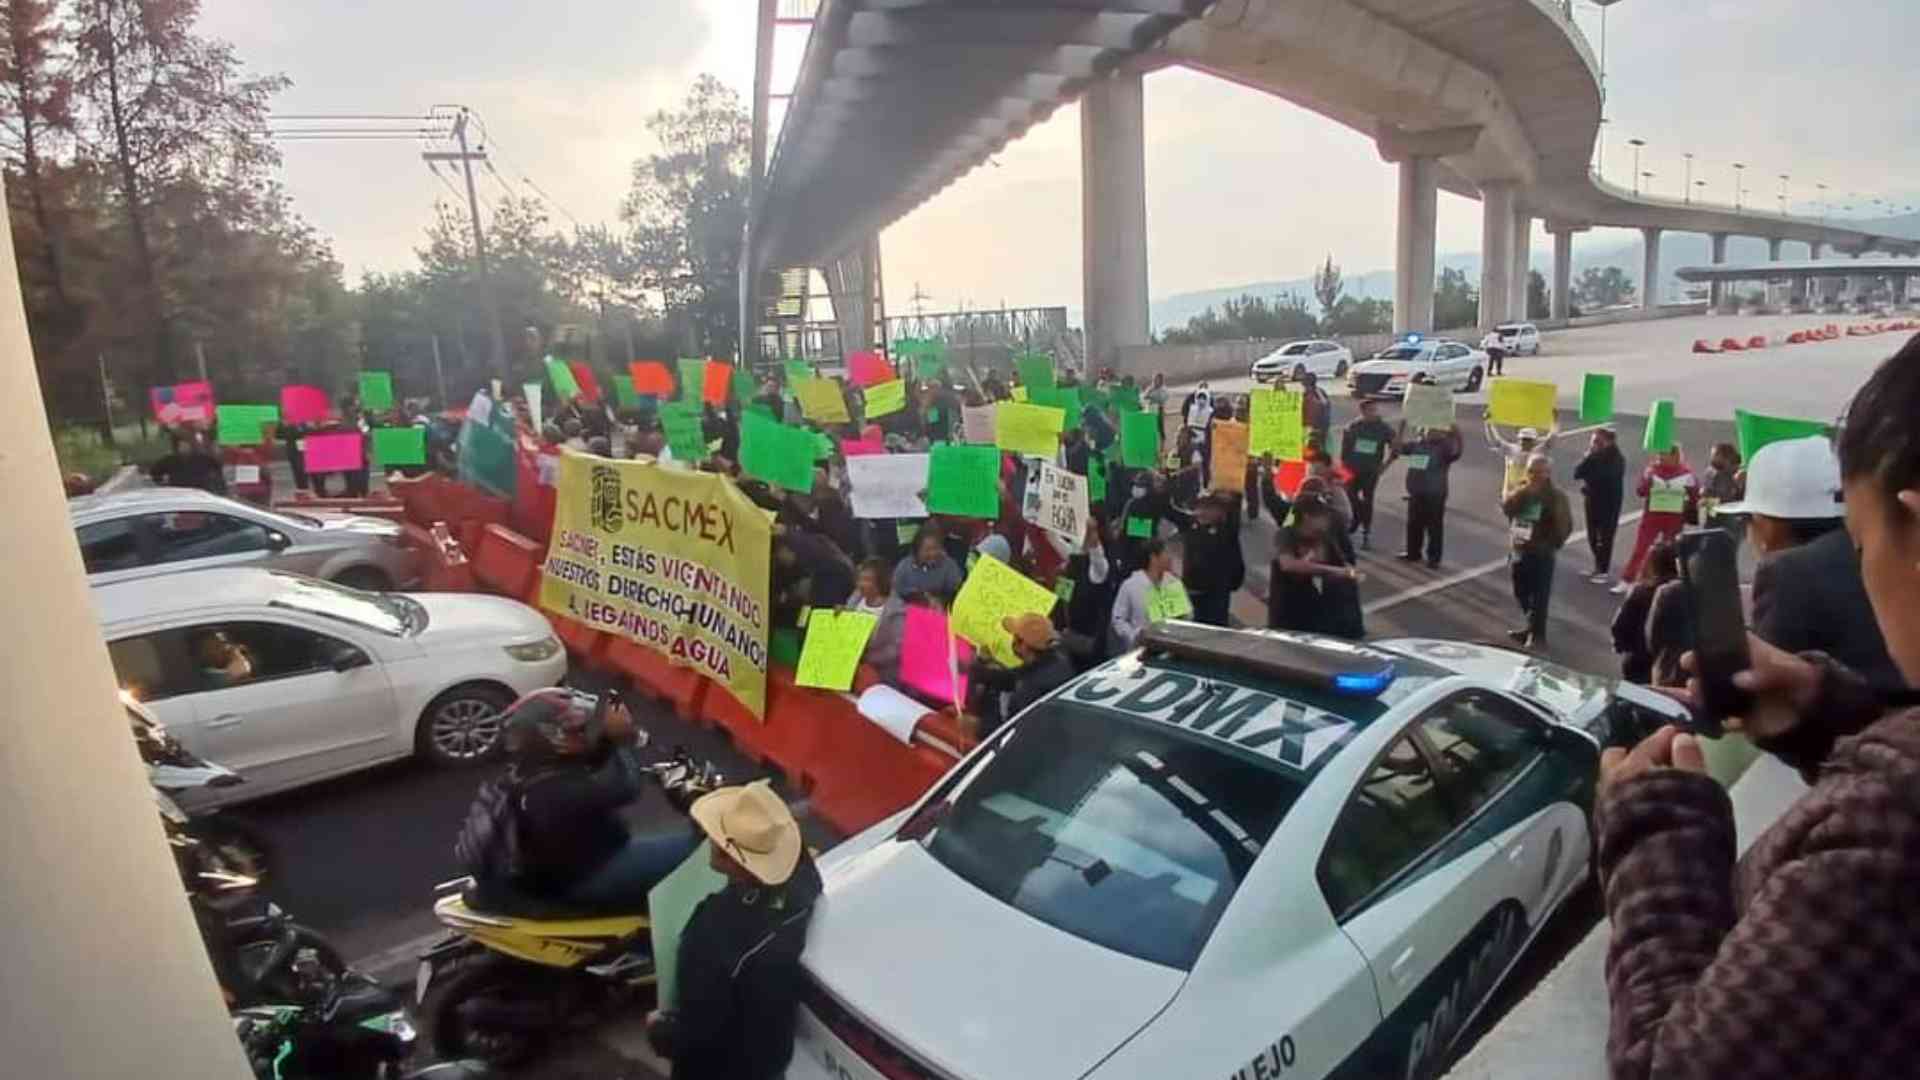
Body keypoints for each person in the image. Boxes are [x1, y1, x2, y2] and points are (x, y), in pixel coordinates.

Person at [1594, 337, 1920, 1080]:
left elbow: (1672, 1069)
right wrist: (1823, 709)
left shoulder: (1889, 827)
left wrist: (1657, 830)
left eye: (1865, 546)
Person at [646, 781, 821, 1080]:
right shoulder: (805, 882)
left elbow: (698, 1035)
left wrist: (660, 1031)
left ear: (729, 858)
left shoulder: (714, 933)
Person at [468, 689, 698, 909]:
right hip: (589, 875)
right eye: (575, 731)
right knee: (697, 850)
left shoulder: (531, 768)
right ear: (551, 736)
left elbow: (589, 760)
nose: (583, 732)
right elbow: (627, 786)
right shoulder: (558, 792)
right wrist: (620, 739)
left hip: (559, 870)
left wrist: (608, 739)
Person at [1718, 434, 1902, 689]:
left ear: (1770, 525)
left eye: (1748, 519)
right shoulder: (1888, 552)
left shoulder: (1786, 573)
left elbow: (1765, 693)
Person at [1501, 453, 1574, 650]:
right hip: (1520, 548)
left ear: (1548, 473)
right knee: (1520, 591)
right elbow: (1507, 508)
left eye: (1540, 472)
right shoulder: (1523, 491)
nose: (1535, 475)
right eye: (1531, 471)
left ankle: (1537, 636)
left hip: (1541, 552)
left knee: (1539, 596)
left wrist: (1550, 545)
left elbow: (1564, 526)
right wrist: (1522, 492)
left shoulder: (1556, 497)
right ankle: (1530, 626)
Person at [1267, 493, 1365, 638]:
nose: (1327, 519)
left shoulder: (1328, 535)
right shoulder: (1287, 534)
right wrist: (1336, 571)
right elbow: (1288, 564)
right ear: (1308, 517)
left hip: (1316, 612)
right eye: (1323, 516)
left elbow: (1345, 564)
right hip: (1288, 613)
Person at [970, 614, 1078, 738]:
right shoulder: (1057, 660)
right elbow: (1015, 676)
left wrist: (978, 727)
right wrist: (977, 670)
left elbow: (1013, 734)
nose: (1012, 641)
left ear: (1023, 645)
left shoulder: (1030, 690)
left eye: (1015, 637)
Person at [1613, 445, 1700, 594]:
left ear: (1675, 456)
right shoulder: (1652, 470)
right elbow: (1640, 492)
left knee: (1669, 551)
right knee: (1640, 548)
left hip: (1674, 518)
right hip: (1652, 516)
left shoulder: (1687, 474)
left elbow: (1695, 496)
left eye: (1663, 454)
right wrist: (1647, 480)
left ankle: (1665, 583)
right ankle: (1627, 580)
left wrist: (1689, 501)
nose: (1660, 457)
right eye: (1659, 454)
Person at [1161, 490, 1245, 627]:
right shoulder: (1190, 524)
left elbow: (1236, 560)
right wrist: (1162, 490)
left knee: (1216, 629)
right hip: (1194, 587)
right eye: (1202, 507)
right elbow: (1169, 511)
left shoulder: (1226, 532)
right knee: (1194, 626)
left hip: (1216, 593)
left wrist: (1234, 582)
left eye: (1211, 508)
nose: (1203, 511)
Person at [1609, 540, 1675, 684]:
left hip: (1638, 661)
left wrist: (1622, 647)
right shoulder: (1685, 594)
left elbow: (1620, 626)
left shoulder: (1641, 593)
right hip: (1670, 665)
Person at [1400, 422, 1464, 568]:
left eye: (1434, 429)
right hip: (1416, 492)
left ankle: (1434, 558)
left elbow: (1456, 453)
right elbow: (1397, 448)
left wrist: (1457, 435)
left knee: (1434, 527)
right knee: (1413, 524)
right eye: (1428, 429)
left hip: (1435, 494)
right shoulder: (1416, 445)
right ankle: (1413, 553)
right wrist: (1401, 428)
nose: (1430, 431)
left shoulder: (1444, 447)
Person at [1340, 398, 1397, 549]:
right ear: (1362, 412)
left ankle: (1366, 532)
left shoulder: (1383, 428)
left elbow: (1395, 449)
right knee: (1351, 495)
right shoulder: (1352, 427)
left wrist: (1385, 465)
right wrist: (1343, 472)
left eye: (1374, 410)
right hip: (1352, 469)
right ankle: (1357, 517)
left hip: (1371, 471)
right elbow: (1344, 453)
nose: (1373, 413)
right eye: (1370, 411)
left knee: (1367, 499)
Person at [1573, 426, 1627, 583]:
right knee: (1592, 535)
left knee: (1605, 537)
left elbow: (1606, 477)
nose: (1593, 444)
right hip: (1592, 500)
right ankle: (1597, 566)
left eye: (1597, 441)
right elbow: (1577, 473)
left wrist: (1592, 464)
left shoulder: (1617, 458)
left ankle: (1603, 570)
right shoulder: (1592, 456)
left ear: (1609, 441)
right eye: (1593, 441)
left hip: (1609, 503)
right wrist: (1588, 458)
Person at [1109, 539, 1179, 652]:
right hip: (1139, 650)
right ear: (1153, 558)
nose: (1169, 558)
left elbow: (1186, 617)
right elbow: (1118, 618)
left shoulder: (1173, 583)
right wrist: (1134, 635)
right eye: (1166, 553)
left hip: (1170, 650)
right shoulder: (1130, 585)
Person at [892, 526, 964, 603]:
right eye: (927, 550)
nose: (932, 553)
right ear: (917, 550)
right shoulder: (904, 567)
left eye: (936, 548)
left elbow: (958, 593)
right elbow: (894, 594)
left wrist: (939, 601)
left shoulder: (949, 566)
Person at [1486, 421, 1556, 499]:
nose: (1525, 442)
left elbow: (1551, 440)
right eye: (1524, 439)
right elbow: (1495, 441)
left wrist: (1554, 422)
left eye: (1528, 440)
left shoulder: (1538, 452)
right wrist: (1489, 424)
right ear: (1519, 440)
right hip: (1512, 491)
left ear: (1534, 441)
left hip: (1531, 492)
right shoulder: (1512, 450)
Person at [149, 428, 227, 494]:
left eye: (186, 445)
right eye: (181, 446)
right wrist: (163, 484)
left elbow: (217, 468)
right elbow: (155, 472)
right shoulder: (170, 460)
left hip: (199, 492)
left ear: (191, 446)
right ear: (177, 447)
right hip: (178, 493)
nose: (184, 448)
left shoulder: (202, 458)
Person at [1298, 371, 1332, 451]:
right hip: (1307, 426)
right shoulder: (1305, 393)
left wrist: (1322, 428)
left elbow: (1325, 406)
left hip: (1317, 427)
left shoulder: (1318, 392)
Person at [1146, 372, 1169, 438]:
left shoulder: (1163, 389)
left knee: (1160, 426)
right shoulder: (1150, 388)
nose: (1156, 381)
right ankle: (1152, 439)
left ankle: (1162, 442)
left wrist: (1153, 397)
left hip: (1159, 408)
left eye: (1158, 379)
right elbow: (1145, 396)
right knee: (1151, 425)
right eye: (1155, 379)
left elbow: (1163, 398)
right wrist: (1149, 395)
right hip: (1151, 408)